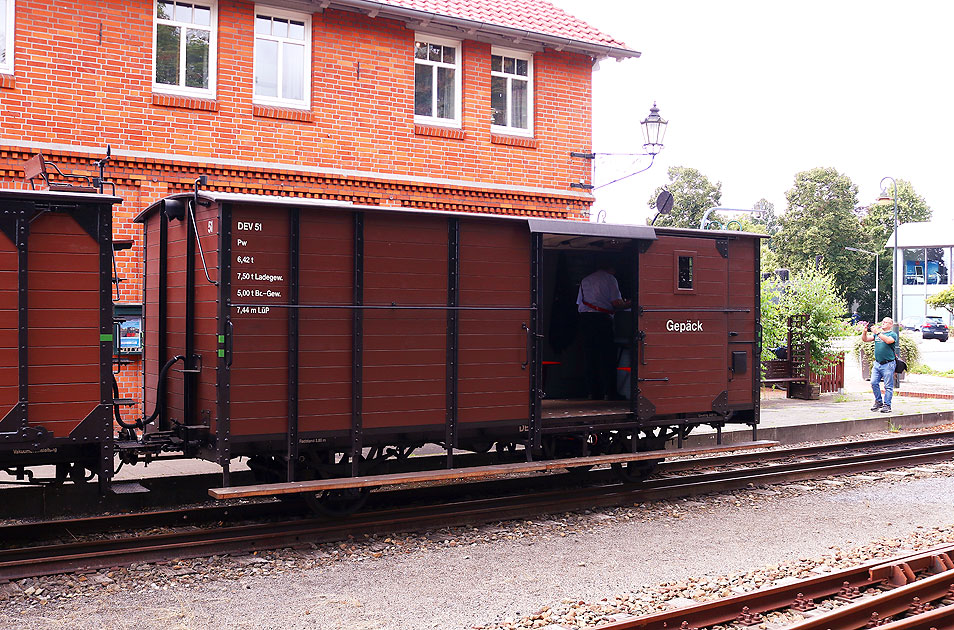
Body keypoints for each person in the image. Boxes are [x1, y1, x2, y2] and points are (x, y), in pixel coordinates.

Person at [577, 262, 631, 400]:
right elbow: (616, 303)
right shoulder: (610, 279)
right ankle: (610, 392)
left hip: (585, 319)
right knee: (607, 357)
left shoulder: (585, 280)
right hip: (601, 320)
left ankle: (593, 392)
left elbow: (580, 303)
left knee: (590, 356)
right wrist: (629, 303)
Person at [859, 316, 898, 413]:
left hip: (888, 364)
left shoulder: (892, 334)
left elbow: (889, 341)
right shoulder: (877, 335)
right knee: (873, 382)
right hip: (877, 364)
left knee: (888, 386)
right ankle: (878, 401)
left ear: (890, 325)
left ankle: (887, 405)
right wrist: (864, 332)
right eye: (883, 322)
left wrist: (878, 332)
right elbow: (865, 339)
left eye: (886, 322)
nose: (883, 323)